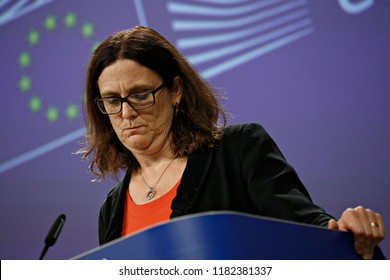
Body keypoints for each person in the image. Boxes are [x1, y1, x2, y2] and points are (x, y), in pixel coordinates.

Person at [79, 26, 385, 259]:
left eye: (140, 95)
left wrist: (351, 234)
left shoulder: (238, 151)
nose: (127, 112)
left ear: (175, 90)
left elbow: (306, 227)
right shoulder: (111, 209)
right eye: (111, 101)